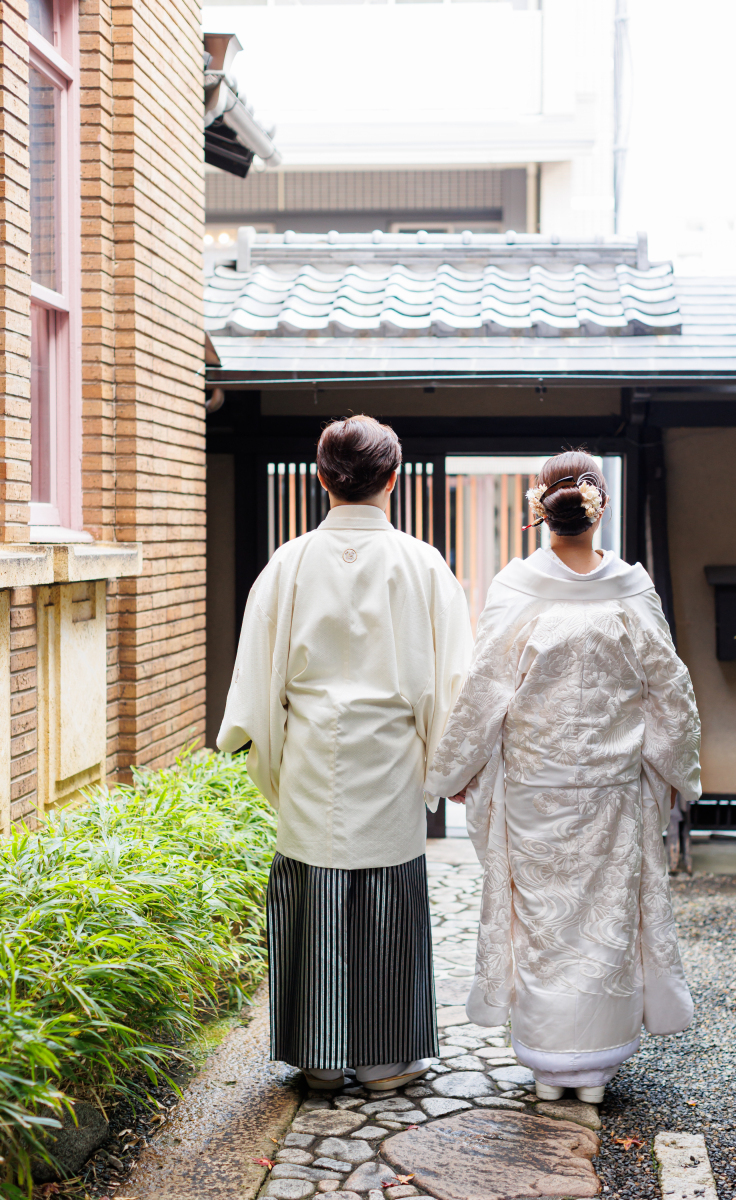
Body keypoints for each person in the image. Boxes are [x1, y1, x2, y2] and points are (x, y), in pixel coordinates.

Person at [425, 450, 701, 1105]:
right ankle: (597, 1068)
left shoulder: (517, 587)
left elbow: (483, 691)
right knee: (605, 923)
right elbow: (672, 692)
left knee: (543, 925)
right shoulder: (630, 589)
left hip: (535, 793)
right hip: (611, 794)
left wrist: (455, 771)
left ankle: (549, 1067)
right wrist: (678, 773)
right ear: (596, 507)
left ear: (539, 510)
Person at [217, 415, 473, 1093]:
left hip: (310, 752)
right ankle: (387, 1061)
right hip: (389, 752)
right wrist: (449, 765)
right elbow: (453, 681)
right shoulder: (422, 564)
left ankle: (321, 1058)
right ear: (393, 479)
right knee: (386, 897)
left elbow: (255, 675)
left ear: (322, 478)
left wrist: (265, 743)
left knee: (317, 897)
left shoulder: (291, 562)